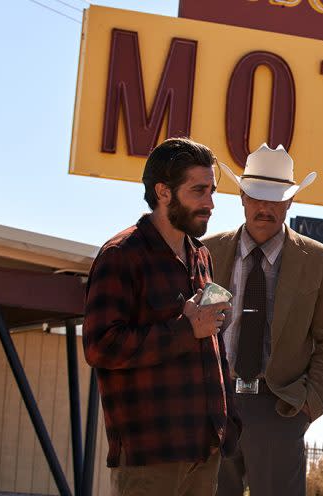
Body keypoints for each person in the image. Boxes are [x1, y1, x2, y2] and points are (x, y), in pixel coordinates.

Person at [82, 137, 238, 496]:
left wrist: (229, 422)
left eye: (212, 191)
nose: (210, 203)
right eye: (198, 191)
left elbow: (213, 341)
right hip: (151, 455)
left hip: (204, 451)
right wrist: (185, 329)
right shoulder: (121, 256)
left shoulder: (201, 256)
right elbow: (101, 347)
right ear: (163, 192)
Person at [204, 143, 323, 496]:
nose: (264, 207)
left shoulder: (318, 261)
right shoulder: (208, 251)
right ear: (240, 196)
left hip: (279, 407)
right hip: (212, 402)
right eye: (256, 196)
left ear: (290, 202)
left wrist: (309, 404)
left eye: (275, 198)